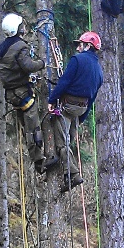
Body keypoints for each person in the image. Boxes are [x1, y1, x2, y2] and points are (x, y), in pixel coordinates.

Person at [0, 13, 50, 173]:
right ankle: (40, 162)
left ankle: (38, 158)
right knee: (33, 126)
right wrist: (43, 63)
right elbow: (28, 66)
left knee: (27, 127)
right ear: (17, 29)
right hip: (22, 93)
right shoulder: (20, 46)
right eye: (21, 26)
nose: (24, 28)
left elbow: (5, 67)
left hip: (12, 94)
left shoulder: (1, 49)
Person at [48, 31, 103, 193]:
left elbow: (64, 82)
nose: (78, 48)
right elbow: (92, 97)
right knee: (69, 140)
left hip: (67, 106)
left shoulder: (77, 60)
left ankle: (73, 174)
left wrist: (51, 100)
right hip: (81, 108)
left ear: (88, 46)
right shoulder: (99, 72)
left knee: (61, 142)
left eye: (80, 44)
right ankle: (67, 173)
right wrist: (82, 118)